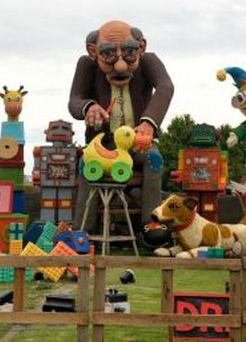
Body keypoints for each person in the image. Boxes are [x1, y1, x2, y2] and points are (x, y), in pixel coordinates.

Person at [68, 20, 174, 225]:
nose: (120, 65)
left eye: (129, 53)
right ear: (93, 51)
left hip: (139, 143)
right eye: (108, 54)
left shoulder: (148, 61)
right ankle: (83, 229)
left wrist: (148, 123)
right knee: (85, 164)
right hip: (102, 145)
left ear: (141, 47)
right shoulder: (87, 66)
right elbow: (74, 100)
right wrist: (88, 107)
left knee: (154, 160)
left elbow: (165, 87)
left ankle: (150, 227)